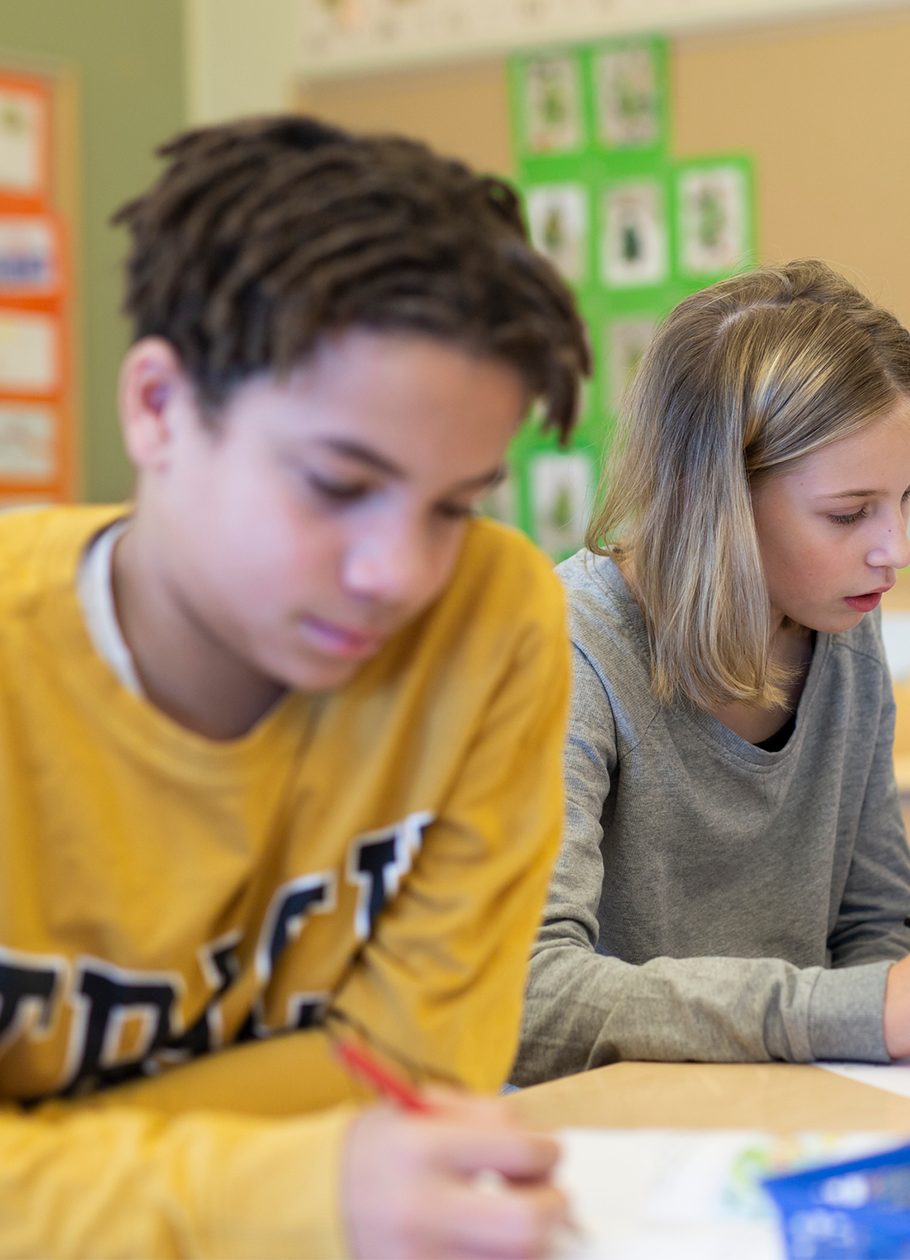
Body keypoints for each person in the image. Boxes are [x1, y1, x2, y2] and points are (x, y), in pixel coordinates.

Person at [0, 117, 589, 1258]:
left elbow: (416, 1072)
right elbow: (353, 1126)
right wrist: (277, 1182)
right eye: (336, 483)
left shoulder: (493, 623)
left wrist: (42, 1154)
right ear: (160, 407)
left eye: (455, 505)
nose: (400, 573)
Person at [513, 261, 910, 1083]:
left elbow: (872, 927)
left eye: (906, 497)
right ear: (718, 502)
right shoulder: (563, 651)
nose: (897, 550)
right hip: (607, 1134)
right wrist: (864, 1007)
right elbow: (530, 998)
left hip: (785, 1107)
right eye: (850, 513)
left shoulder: (839, 627)